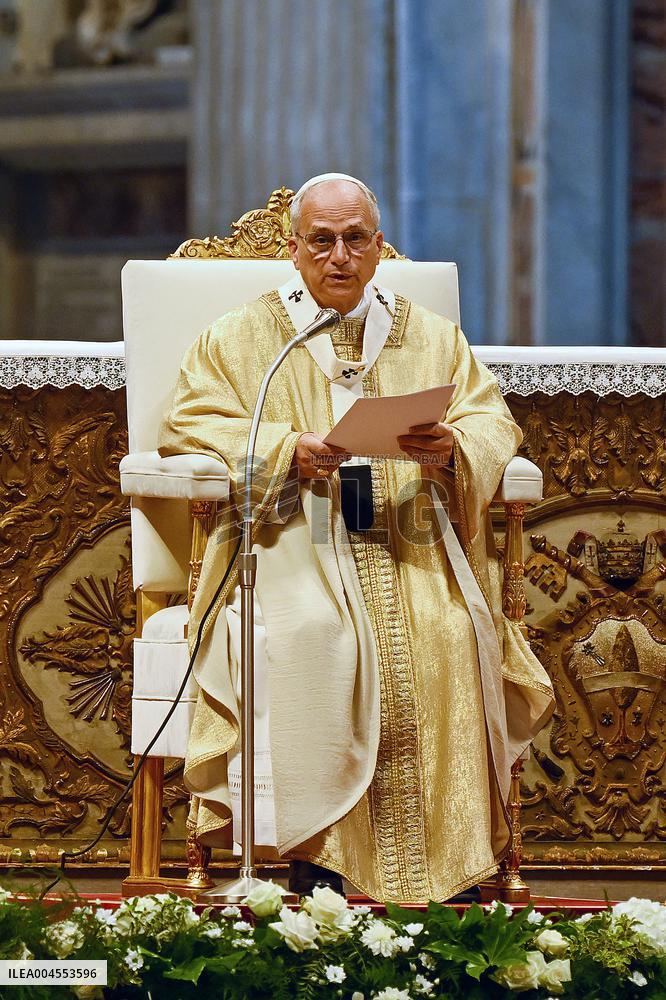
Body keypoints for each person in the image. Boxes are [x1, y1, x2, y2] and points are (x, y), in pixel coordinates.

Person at [158, 173, 554, 904]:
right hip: (289, 538)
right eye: (322, 241)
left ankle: (455, 862)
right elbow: (192, 422)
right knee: (315, 633)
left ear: (378, 246)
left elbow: (492, 422)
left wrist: (450, 447)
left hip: (408, 535)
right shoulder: (243, 337)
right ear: (294, 248)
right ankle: (321, 857)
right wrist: (283, 448)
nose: (339, 256)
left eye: (355, 239)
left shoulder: (431, 335)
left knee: (447, 628)